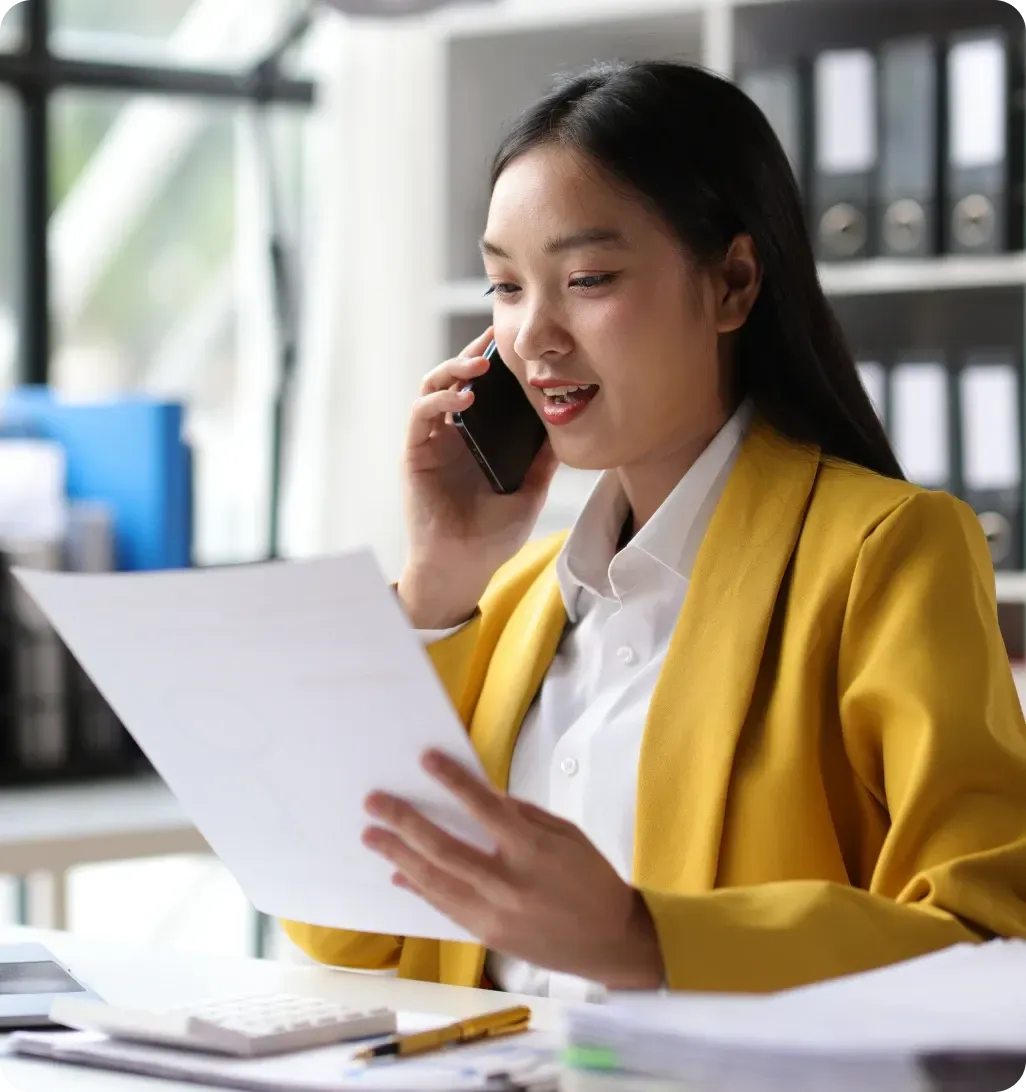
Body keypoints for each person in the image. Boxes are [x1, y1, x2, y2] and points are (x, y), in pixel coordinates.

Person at [283, 59, 1026, 998]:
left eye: (587, 278)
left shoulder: (886, 552)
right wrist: (439, 575)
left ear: (733, 283)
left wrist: (644, 938)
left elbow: (988, 936)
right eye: (505, 289)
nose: (534, 336)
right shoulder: (505, 599)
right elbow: (343, 934)